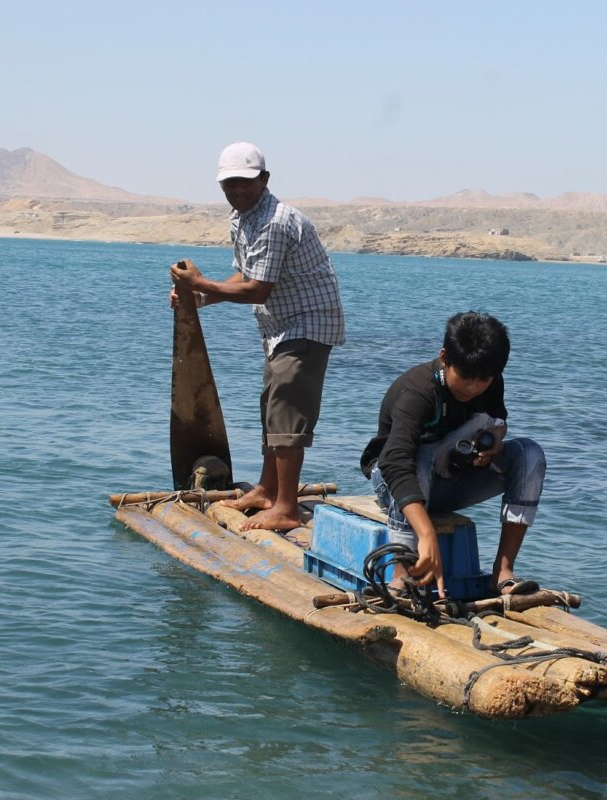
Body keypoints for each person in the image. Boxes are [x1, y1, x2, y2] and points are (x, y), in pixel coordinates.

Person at [169, 141, 345, 532]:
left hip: (307, 323)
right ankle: (267, 490)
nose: (237, 191)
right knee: (272, 408)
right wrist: (199, 298)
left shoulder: (276, 221)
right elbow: (242, 278)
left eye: (245, 183)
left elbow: (257, 290)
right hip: (280, 327)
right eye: (230, 184)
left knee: (287, 415)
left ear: (264, 179)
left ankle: (286, 507)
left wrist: (199, 282)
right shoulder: (243, 219)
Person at [360, 311, 546, 598]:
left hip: (447, 479)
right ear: (445, 357)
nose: (473, 387)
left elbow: (498, 419)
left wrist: (495, 440)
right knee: (419, 457)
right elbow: (395, 462)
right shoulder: (419, 390)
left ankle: (503, 572)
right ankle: (402, 574)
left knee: (529, 454)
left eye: (484, 379)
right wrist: (426, 534)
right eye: (466, 377)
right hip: (394, 481)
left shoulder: (491, 381)